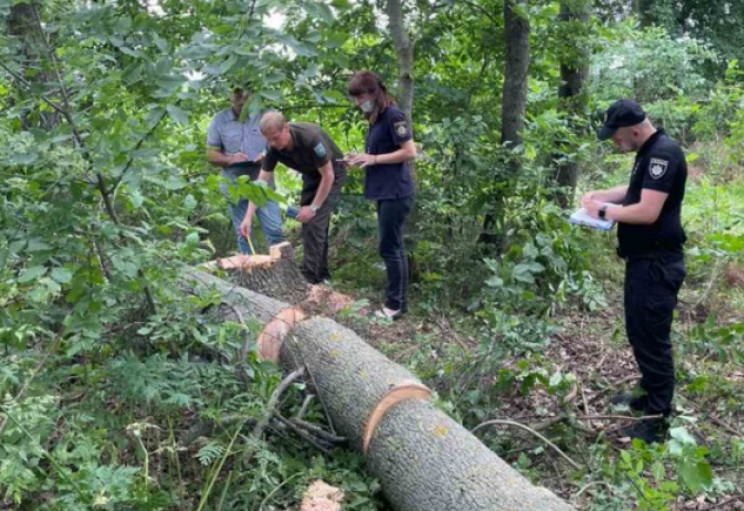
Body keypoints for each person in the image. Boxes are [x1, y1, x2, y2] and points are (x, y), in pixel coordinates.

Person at [582, 99, 687, 443]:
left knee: (653, 339)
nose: (615, 141)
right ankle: (646, 394)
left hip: (658, 264)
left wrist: (602, 213)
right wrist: (599, 196)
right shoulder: (649, 149)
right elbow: (632, 193)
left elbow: (646, 211)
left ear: (636, 130)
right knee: (639, 331)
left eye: (617, 135)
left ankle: (658, 418)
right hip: (643, 261)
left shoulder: (663, 154)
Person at [240, 111, 346, 284]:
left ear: (286, 128)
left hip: (332, 173)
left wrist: (313, 208)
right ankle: (322, 274)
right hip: (311, 174)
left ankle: (310, 279)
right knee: (311, 224)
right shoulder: (272, 148)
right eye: (269, 139)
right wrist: (248, 217)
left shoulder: (310, 138)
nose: (273, 143)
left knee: (314, 220)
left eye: (276, 137)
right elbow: (260, 184)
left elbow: (328, 176)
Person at [346, 71, 417, 320]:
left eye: (361, 96)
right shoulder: (375, 118)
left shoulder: (393, 116)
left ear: (375, 92)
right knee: (393, 246)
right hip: (384, 191)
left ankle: (394, 305)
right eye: (355, 98)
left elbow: (409, 151)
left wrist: (374, 158)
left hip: (397, 191)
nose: (358, 102)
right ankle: (399, 303)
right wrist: (360, 158)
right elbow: (378, 153)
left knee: (390, 247)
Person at [206, 87, 284, 254]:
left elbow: (281, 138)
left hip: (262, 175)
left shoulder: (266, 115)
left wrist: (267, 153)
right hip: (234, 180)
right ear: (231, 102)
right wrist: (230, 158)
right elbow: (211, 154)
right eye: (238, 105)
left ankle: (282, 269)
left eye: (246, 104)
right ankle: (249, 272)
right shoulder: (219, 120)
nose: (243, 108)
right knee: (243, 232)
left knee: (274, 229)